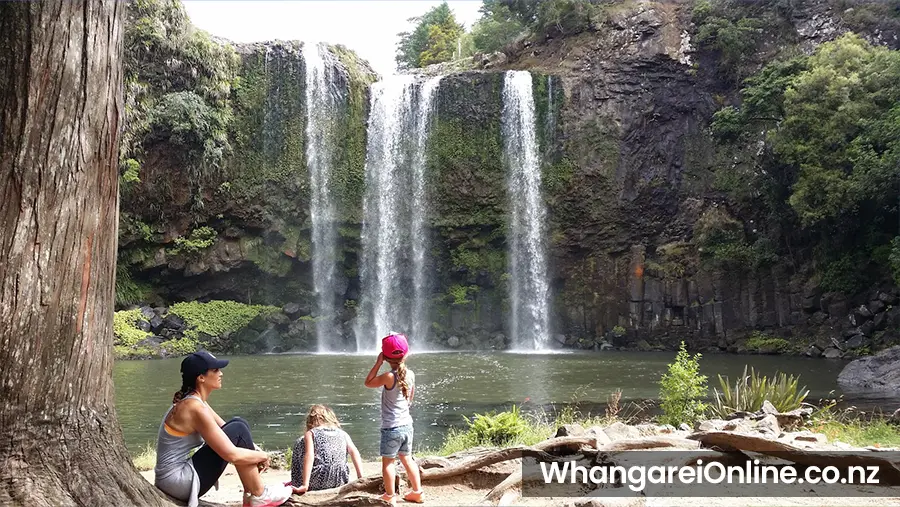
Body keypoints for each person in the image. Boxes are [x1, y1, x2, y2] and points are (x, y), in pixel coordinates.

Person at [153, 351, 292, 507]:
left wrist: (253, 449)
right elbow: (233, 455)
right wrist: (263, 455)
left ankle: (253, 494)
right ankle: (258, 494)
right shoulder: (195, 408)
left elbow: (226, 428)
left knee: (238, 423)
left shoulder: (194, 401)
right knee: (239, 426)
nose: (221, 373)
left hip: (171, 480)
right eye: (215, 370)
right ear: (201, 378)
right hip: (177, 482)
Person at [364, 333, 425, 505]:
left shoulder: (389, 377)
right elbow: (410, 398)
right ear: (406, 355)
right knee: (407, 458)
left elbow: (368, 382)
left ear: (386, 357)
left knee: (388, 463)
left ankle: (390, 496)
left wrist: (377, 362)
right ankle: (417, 492)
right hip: (407, 425)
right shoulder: (410, 374)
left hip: (391, 428)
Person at [289, 404, 363, 493]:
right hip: (340, 479)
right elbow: (354, 452)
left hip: (317, 481)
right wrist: (361, 477)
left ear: (311, 420)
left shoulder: (311, 433)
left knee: (300, 442)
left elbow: (309, 456)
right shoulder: (343, 434)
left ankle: (298, 483)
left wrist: (305, 485)